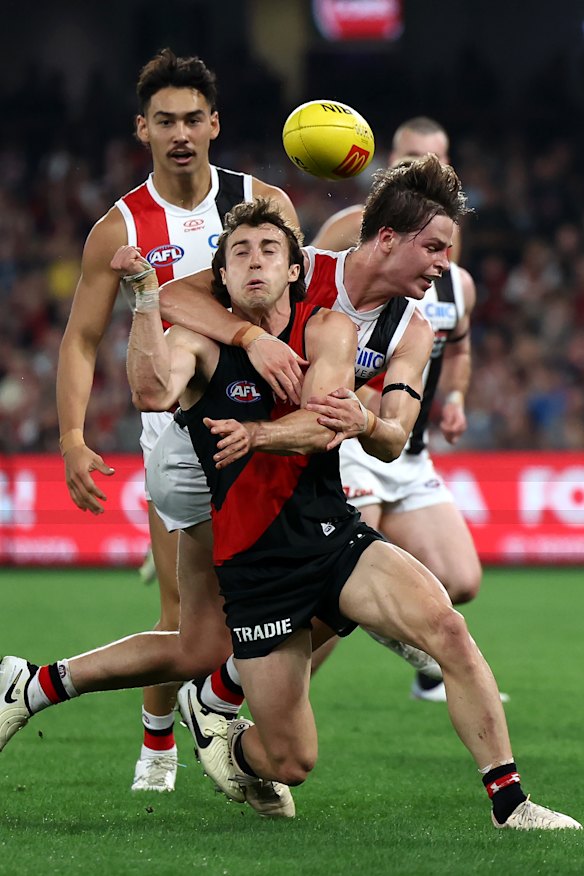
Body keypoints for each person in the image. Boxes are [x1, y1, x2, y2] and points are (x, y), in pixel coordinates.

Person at [0, 157, 468, 819]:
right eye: (240, 252)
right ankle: (195, 717)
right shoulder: (224, 306)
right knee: (307, 575)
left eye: (269, 251)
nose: (255, 261)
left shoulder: (349, 319)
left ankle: (36, 686)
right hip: (199, 462)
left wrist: (346, 412)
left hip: (254, 460)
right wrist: (178, 312)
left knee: (202, 639)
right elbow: (155, 368)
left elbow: (342, 411)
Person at [122, 199, 580, 830]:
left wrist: (362, 421)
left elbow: (391, 437)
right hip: (219, 467)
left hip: (326, 491)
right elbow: (174, 297)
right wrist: (250, 338)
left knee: (446, 619)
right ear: (388, 239)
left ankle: (512, 803)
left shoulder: (411, 327)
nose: (445, 264)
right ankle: (212, 705)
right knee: (286, 753)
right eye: (435, 247)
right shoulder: (305, 267)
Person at [55, 48, 301, 793]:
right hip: (177, 434)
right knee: (180, 610)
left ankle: (227, 712)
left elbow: (301, 295)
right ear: (144, 129)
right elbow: (81, 341)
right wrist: (71, 436)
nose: (182, 131)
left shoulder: (262, 203)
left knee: (297, 601)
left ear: (215, 123)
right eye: (166, 120)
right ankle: (157, 750)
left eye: (194, 117)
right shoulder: (121, 227)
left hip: (265, 425)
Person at [308, 118, 482, 702]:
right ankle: (259, 692)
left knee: (460, 579)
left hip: (405, 441)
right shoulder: (347, 229)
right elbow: (304, 307)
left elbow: (457, 354)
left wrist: (454, 398)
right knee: (345, 577)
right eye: (409, 157)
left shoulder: (454, 281)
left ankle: (409, 641)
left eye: (432, 161)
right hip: (346, 428)